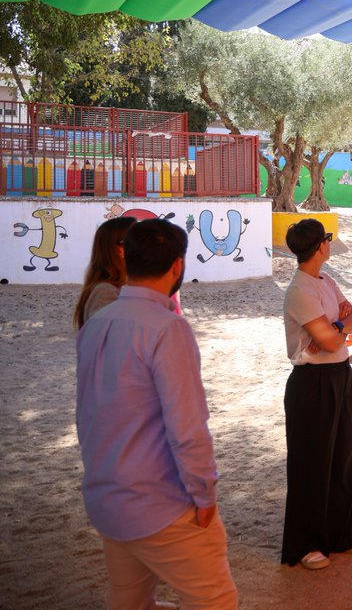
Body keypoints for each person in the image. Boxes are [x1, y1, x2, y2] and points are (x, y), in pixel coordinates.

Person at [75, 219, 238, 609]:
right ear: (178, 266)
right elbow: (188, 429)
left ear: (127, 259)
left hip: (107, 496)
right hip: (159, 505)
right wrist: (204, 494)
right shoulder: (167, 328)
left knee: (129, 598)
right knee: (215, 599)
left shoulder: (96, 322)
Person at [281, 219, 352, 570]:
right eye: (327, 239)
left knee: (342, 457)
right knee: (311, 464)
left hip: (340, 375)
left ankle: (343, 533)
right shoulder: (300, 291)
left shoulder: (327, 280)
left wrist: (337, 328)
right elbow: (334, 338)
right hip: (311, 384)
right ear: (319, 246)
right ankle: (306, 543)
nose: (329, 243)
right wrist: (339, 328)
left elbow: (351, 318)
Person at [73, 215, 137, 329]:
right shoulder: (105, 292)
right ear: (120, 249)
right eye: (139, 239)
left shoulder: (116, 287)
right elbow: (110, 339)